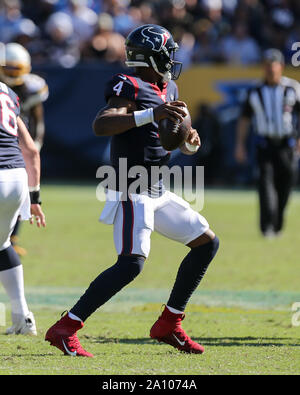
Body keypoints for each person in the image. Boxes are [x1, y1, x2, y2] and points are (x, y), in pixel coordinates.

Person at [45, 24, 219, 358]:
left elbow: (164, 140)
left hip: (156, 186)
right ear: (151, 55)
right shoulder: (129, 84)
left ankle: (170, 322)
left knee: (206, 243)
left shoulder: (168, 87)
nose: (172, 59)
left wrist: (187, 142)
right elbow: (102, 123)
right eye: (167, 52)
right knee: (131, 264)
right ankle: (65, 326)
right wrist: (151, 114)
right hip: (130, 184)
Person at [235, 48, 300, 237]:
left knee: (285, 186)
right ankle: (266, 227)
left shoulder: (292, 88)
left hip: (287, 145)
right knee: (265, 185)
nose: (271, 69)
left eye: (274, 65)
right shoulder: (254, 91)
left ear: (281, 66)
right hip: (264, 144)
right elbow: (244, 119)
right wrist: (240, 144)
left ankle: (278, 223)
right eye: (267, 65)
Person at [0, 79, 46, 335]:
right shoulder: (7, 92)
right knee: (2, 244)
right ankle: (23, 318)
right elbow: (30, 149)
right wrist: (35, 197)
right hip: (16, 178)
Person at [0, 42, 48, 256]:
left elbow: (38, 118)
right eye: (8, 68)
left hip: (18, 142)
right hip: (11, 142)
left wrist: (36, 143)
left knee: (21, 192)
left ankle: (12, 237)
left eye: (15, 69)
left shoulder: (32, 88)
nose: (11, 73)